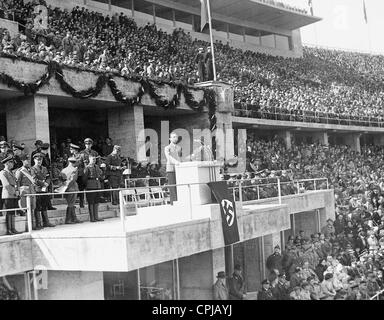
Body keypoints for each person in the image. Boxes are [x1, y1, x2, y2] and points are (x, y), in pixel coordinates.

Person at [31, 153, 55, 229]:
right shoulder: (32, 169)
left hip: (44, 189)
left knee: (44, 205)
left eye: (40, 160)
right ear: (34, 160)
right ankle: (38, 223)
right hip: (37, 189)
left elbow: (48, 177)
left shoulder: (44, 168)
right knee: (37, 206)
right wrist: (43, 184)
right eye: (37, 160)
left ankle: (46, 222)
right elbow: (34, 179)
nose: (39, 161)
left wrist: (47, 183)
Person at [0, 156, 21, 235]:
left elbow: (16, 183)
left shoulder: (11, 172)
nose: (12, 164)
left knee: (12, 212)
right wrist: (14, 192)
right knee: (9, 213)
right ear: (6, 163)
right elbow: (6, 185)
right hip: (8, 195)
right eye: (11, 162)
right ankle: (9, 230)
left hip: (13, 194)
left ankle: (13, 228)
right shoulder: (3, 172)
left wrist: (17, 191)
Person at [83, 154, 104, 222]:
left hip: (97, 185)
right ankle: (92, 218)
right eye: (93, 159)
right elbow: (85, 178)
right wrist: (86, 186)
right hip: (90, 185)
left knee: (96, 202)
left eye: (95, 159)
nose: (94, 161)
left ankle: (96, 217)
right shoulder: (87, 167)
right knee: (91, 202)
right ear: (89, 159)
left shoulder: (97, 167)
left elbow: (101, 174)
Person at [60, 156, 81, 224]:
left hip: (66, 188)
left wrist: (65, 186)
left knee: (71, 203)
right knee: (71, 204)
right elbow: (73, 179)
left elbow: (61, 179)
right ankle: (68, 219)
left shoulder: (63, 170)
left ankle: (74, 218)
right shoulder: (74, 169)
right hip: (72, 187)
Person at [15, 154, 36, 218]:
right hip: (24, 192)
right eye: (26, 160)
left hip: (32, 191)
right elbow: (17, 182)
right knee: (26, 208)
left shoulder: (31, 169)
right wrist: (17, 191)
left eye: (28, 159)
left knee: (32, 207)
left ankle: (33, 225)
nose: (28, 161)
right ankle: (28, 226)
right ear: (22, 161)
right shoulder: (20, 171)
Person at [164, 132, 182, 205]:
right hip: (171, 168)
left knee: (179, 185)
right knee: (172, 185)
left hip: (179, 168)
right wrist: (176, 162)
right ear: (170, 139)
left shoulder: (179, 147)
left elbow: (180, 157)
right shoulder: (167, 148)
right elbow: (168, 157)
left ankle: (179, 200)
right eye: (173, 137)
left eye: (176, 137)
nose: (175, 138)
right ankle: (173, 202)